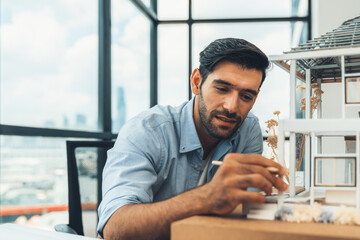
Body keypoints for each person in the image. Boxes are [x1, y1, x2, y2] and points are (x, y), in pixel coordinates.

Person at [97, 38, 288, 240]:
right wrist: (206, 198)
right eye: (222, 89)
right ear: (197, 82)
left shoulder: (248, 129)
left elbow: (247, 208)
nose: (232, 107)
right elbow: (114, 228)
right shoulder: (147, 131)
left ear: (255, 98)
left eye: (246, 96)